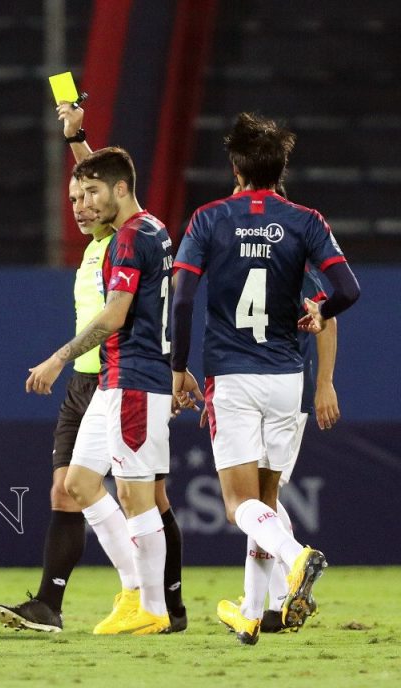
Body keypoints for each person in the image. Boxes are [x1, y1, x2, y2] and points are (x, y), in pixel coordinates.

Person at [0, 105, 186, 634]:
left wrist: (56, 357)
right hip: (111, 379)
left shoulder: (128, 237)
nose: (80, 206)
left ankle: (155, 606)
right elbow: (99, 176)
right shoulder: (138, 229)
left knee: (139, 494)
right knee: (78, 483)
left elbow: (117, 313)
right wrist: (77, 137)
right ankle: (138, 597)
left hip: (130, 376)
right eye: (75, 197)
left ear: (119, 192)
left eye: (89, 196)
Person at [170, 113, 360, 644]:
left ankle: (298, 559)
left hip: (232, 377)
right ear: (281, 168)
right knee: (266, 508)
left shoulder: (208, 219)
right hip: (285, 378)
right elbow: (347, 289)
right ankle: (256, 613)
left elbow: (182, 297)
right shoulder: (305, 221)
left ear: (235, 167)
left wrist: (178, 367)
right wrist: (318, 308)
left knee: (238, 506)